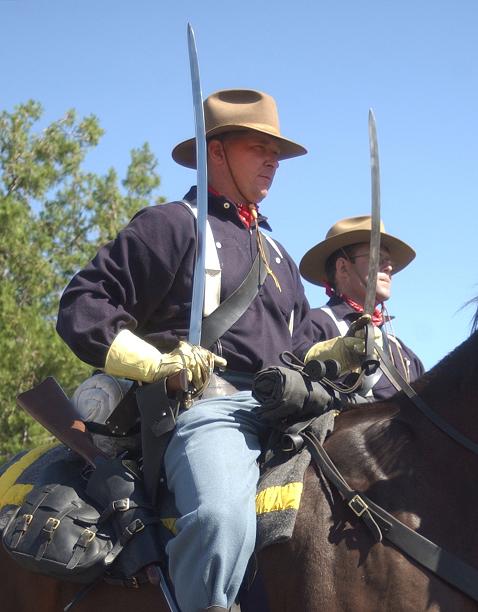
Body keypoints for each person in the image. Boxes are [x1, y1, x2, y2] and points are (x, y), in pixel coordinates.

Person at [56, 89, 339, 612]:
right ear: (217, 152)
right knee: (219, 520)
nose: (274, 160)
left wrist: (340, 353)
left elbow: (300, 348)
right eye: (259, 146)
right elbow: (83, 304)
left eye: (276, 151)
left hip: (288, 411)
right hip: (212, 409)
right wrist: (151, 360)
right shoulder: (170, 224)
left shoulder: (279, 254)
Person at [299, 216, 425, 400]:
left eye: (390, 262)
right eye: (378, 258)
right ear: (343, 267)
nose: (389, 267)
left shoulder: (403, 351)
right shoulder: (313, 324)